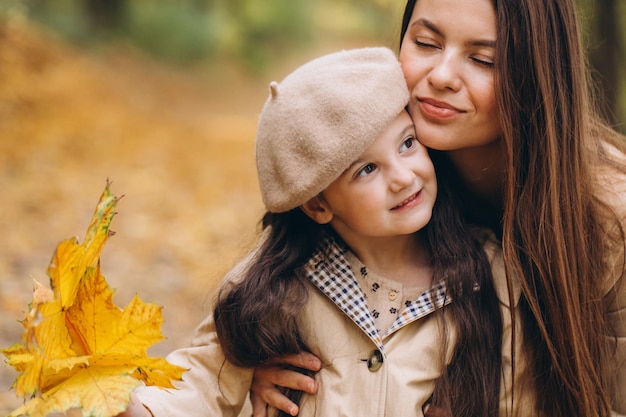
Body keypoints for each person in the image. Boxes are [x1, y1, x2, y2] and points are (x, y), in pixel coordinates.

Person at [249, 1, 626, 417]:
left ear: (538, 75)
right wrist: (261, 360)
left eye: (483, 60)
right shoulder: (389, 159)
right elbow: (276, 274)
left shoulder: (609, 217)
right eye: (426, 43)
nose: (442, 76)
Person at [117, 46, 506, 417]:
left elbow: (519, 393)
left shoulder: (484, 275)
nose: (404, 178)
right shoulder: (278, 286)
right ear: (318, 205)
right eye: (366, 170)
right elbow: (203, 375)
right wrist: (146, 408)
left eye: (407, 143)